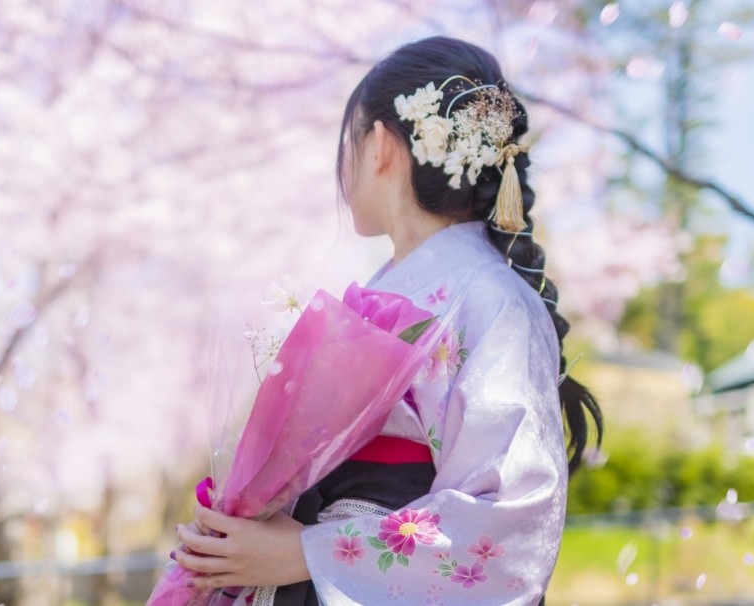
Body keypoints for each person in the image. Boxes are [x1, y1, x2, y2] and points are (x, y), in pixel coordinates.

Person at [169, 36, 602, 605]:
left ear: (379, 145)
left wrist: (307, 552)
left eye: (348, 139)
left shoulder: (494, 300)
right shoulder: (390, 296)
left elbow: (507, 523)